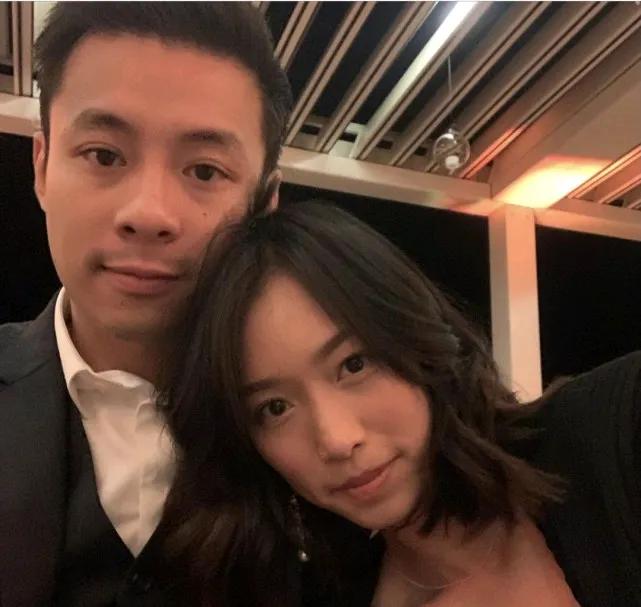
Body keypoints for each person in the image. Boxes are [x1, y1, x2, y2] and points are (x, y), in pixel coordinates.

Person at [161, 200, 641, 607]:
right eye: (275, 408)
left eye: (354, 365)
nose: (337, 439)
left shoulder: (613, 430)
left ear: (415, 336)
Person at [0, 3, 292, 606]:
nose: (148, 213)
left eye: (204, 170)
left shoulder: (326, 422)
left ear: (265, 204)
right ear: (42, 167)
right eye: (104, 155)